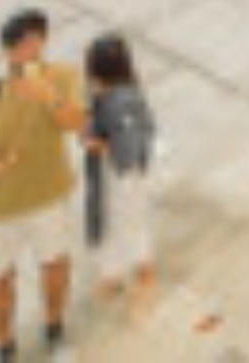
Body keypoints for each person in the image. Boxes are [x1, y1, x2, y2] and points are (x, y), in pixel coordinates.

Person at [0, 9, 87, 359]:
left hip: (48, 195)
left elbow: (77, 123)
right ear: (8, 52)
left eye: (36, 41)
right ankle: (3, 344)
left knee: (55, 265)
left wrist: (49, 96)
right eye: (21, 45)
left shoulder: (62, 77)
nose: (30, 51)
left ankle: (54, 323)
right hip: (0, 205)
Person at [83, 32, 161, 322]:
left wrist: (93, 144)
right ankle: (116, 274)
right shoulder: (116, 91)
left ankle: (137, 277)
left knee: (124, 222)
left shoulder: (123, 101)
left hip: (122, 177)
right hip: (120, 175)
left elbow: (125, 149)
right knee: (119, 223)